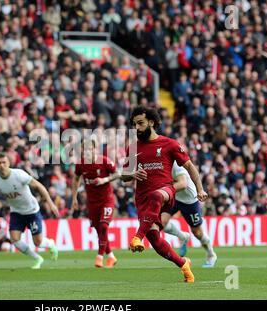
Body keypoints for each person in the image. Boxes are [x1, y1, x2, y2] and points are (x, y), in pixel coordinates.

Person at [120, 106, 208, 283]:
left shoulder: (169, 144)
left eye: (140, 123)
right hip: (143, 199)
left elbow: (190, 166)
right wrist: (133, 174)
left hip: (165, 192)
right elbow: (124, 177)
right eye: (134, 124)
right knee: (155, 239)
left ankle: (137, 237)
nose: (136, 128)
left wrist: (200, 189)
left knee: (156, 196)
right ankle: (184, 265)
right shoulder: (133, 148)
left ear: (151, 122)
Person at [0, 152, 59, 269]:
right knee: (14, 239)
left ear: (9, 163)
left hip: (32, 211)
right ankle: (37, 258)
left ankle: (50, 243)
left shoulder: (19, 174)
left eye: (4, 162)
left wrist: (51, 204)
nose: (2, 165)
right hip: (16, 212)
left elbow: (39, 186)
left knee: (38, 242)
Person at [71, 138, 118, 268]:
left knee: (104, 226)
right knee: (99, 231)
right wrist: (74, 198)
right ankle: (112, 257)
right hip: (92, 202)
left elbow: (117, 173)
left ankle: (99, 257)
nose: (87, 152)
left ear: (94, 149)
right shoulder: (80, 164)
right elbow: (75, 180)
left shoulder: (104, 161)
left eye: (89, 149)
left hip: (106, 200)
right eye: (84, 149)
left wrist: (105, 180)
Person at [161, 162, 217, 267]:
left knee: (197, 233)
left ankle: (211, 255)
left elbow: (183, 184)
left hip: (189, 200)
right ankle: (183, 236)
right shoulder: (158, 163)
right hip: (174, 197)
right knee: (160, 222)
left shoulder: (175, 165)